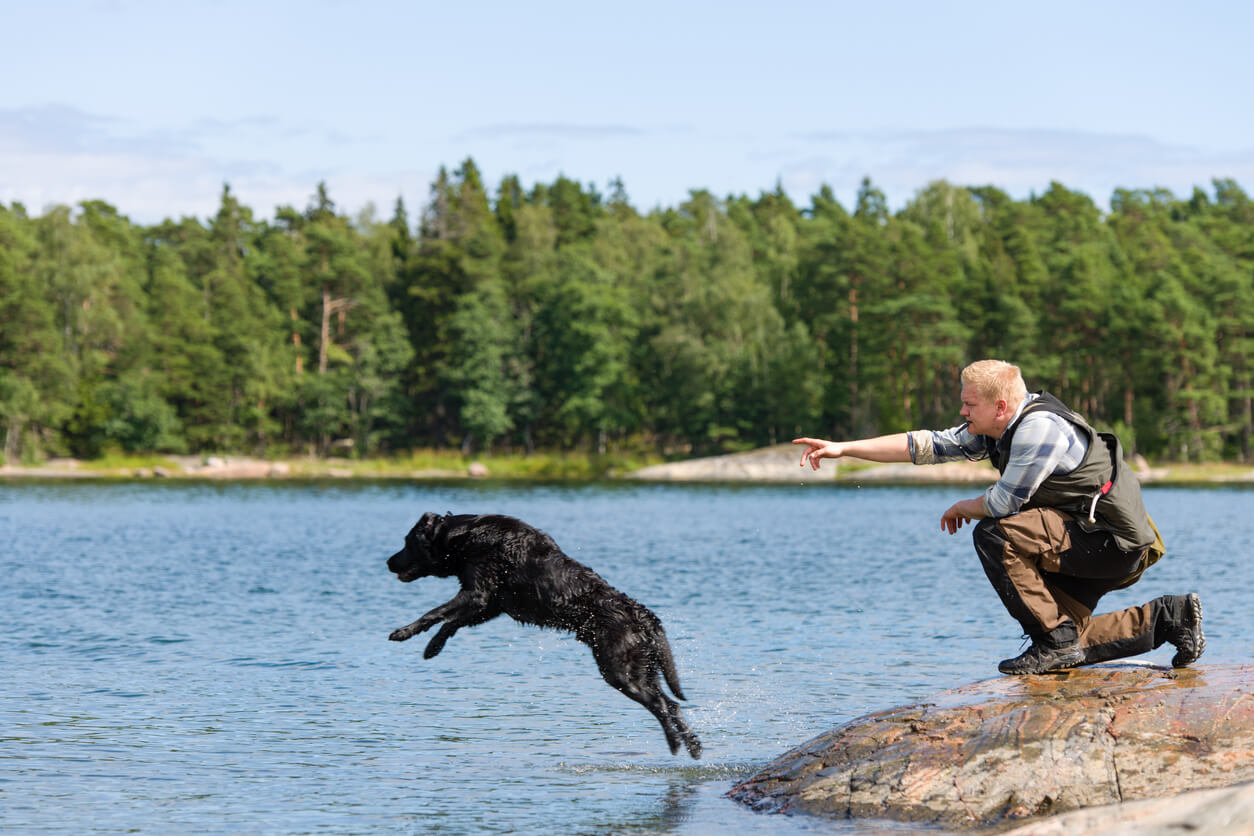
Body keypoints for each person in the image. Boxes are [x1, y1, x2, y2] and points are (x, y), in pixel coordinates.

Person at [793, 359, 1205, 676]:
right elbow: (927, 445)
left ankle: (1055, 641)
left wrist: (960, 507)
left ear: (1000, 406)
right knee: (1067, 638)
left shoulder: (1037, 429)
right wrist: (843, 448)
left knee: (995, 535)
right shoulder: (999, 427)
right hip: (1084, 544)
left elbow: (1004, 502)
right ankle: (1170, 618)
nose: (962, 410)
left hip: (1110, 544)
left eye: (969, 403)